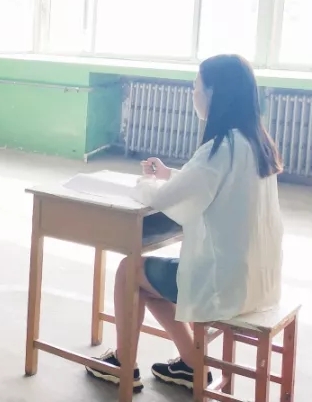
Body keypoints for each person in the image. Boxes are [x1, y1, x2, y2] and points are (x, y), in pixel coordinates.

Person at [85, 54, 283, 392]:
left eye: (196, 87)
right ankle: (192, 364)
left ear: (213, 92)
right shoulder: (255, 142)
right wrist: (170, 174)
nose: (194, 94)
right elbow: (211, 184)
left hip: (224, 282)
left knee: (130, 270)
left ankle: (123, 363)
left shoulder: (220, 147)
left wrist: (146, 183)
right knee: (151, 279)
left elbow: (164, 199)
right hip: (257, 277)